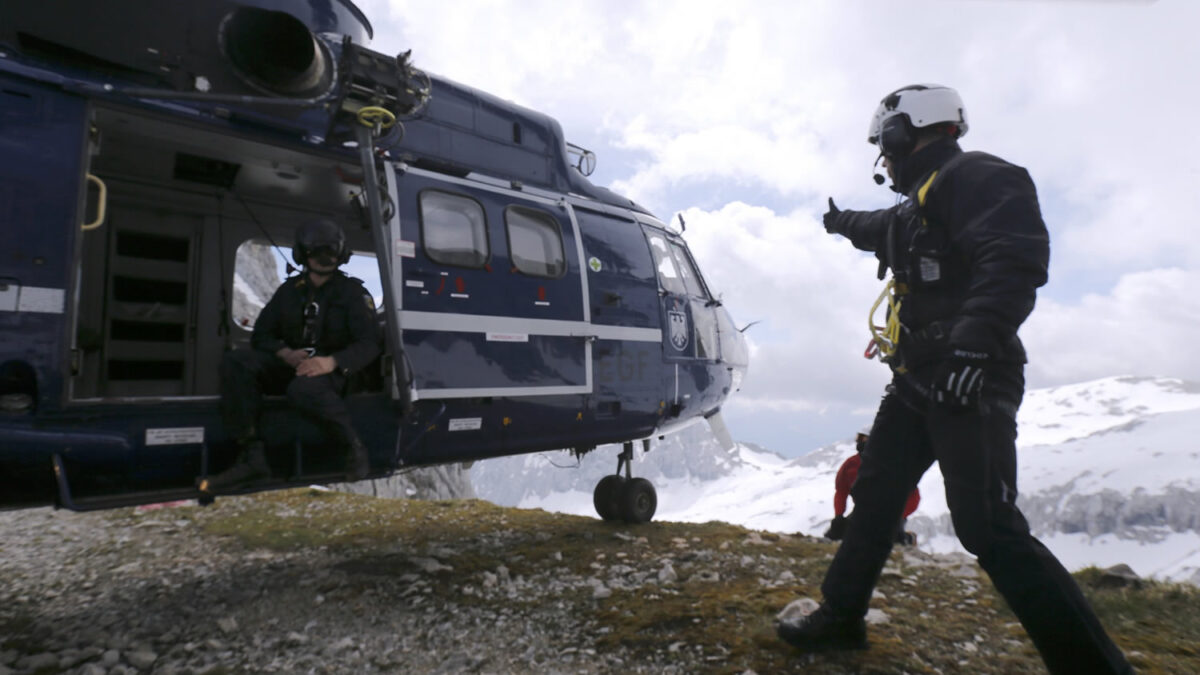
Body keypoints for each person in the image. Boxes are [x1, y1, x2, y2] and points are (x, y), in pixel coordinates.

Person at [776, 84, 1133, 675]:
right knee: (874, 501)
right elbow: (880, 225)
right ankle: (840, 618)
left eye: (882, 146)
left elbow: (1013, 260)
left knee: (988, 528)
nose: (881, 161)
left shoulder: (981, 178)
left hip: (973, 377)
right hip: (918, 379)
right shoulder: (920, 203)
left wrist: (970, 350)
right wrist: (839, 223)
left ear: (902, 133)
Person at [201, 218, 381, 492]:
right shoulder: (289, 292)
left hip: (335, 373)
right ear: (302, 254)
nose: (325, 258)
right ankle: (252, 455)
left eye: (331, 252)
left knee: (302, 389)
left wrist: (330, 362)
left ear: (340, 255)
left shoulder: (354, 294)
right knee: (237, 361)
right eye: (318, 251)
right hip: (295, 366)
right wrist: (284, 353)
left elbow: (369, 344)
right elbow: (261, 335)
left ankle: (353, 448)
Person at [824, 432, 919, 546]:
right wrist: (838, 516)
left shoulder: (894, 463)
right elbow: (841, 491)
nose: (861, 442)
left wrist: (898, 515)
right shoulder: (850, 464)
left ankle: (908, 538)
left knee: (889, 538)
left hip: (891, 511)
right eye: (860, 438)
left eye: (865, 439)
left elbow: (914, 496)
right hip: (863, 510)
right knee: (836, 534)